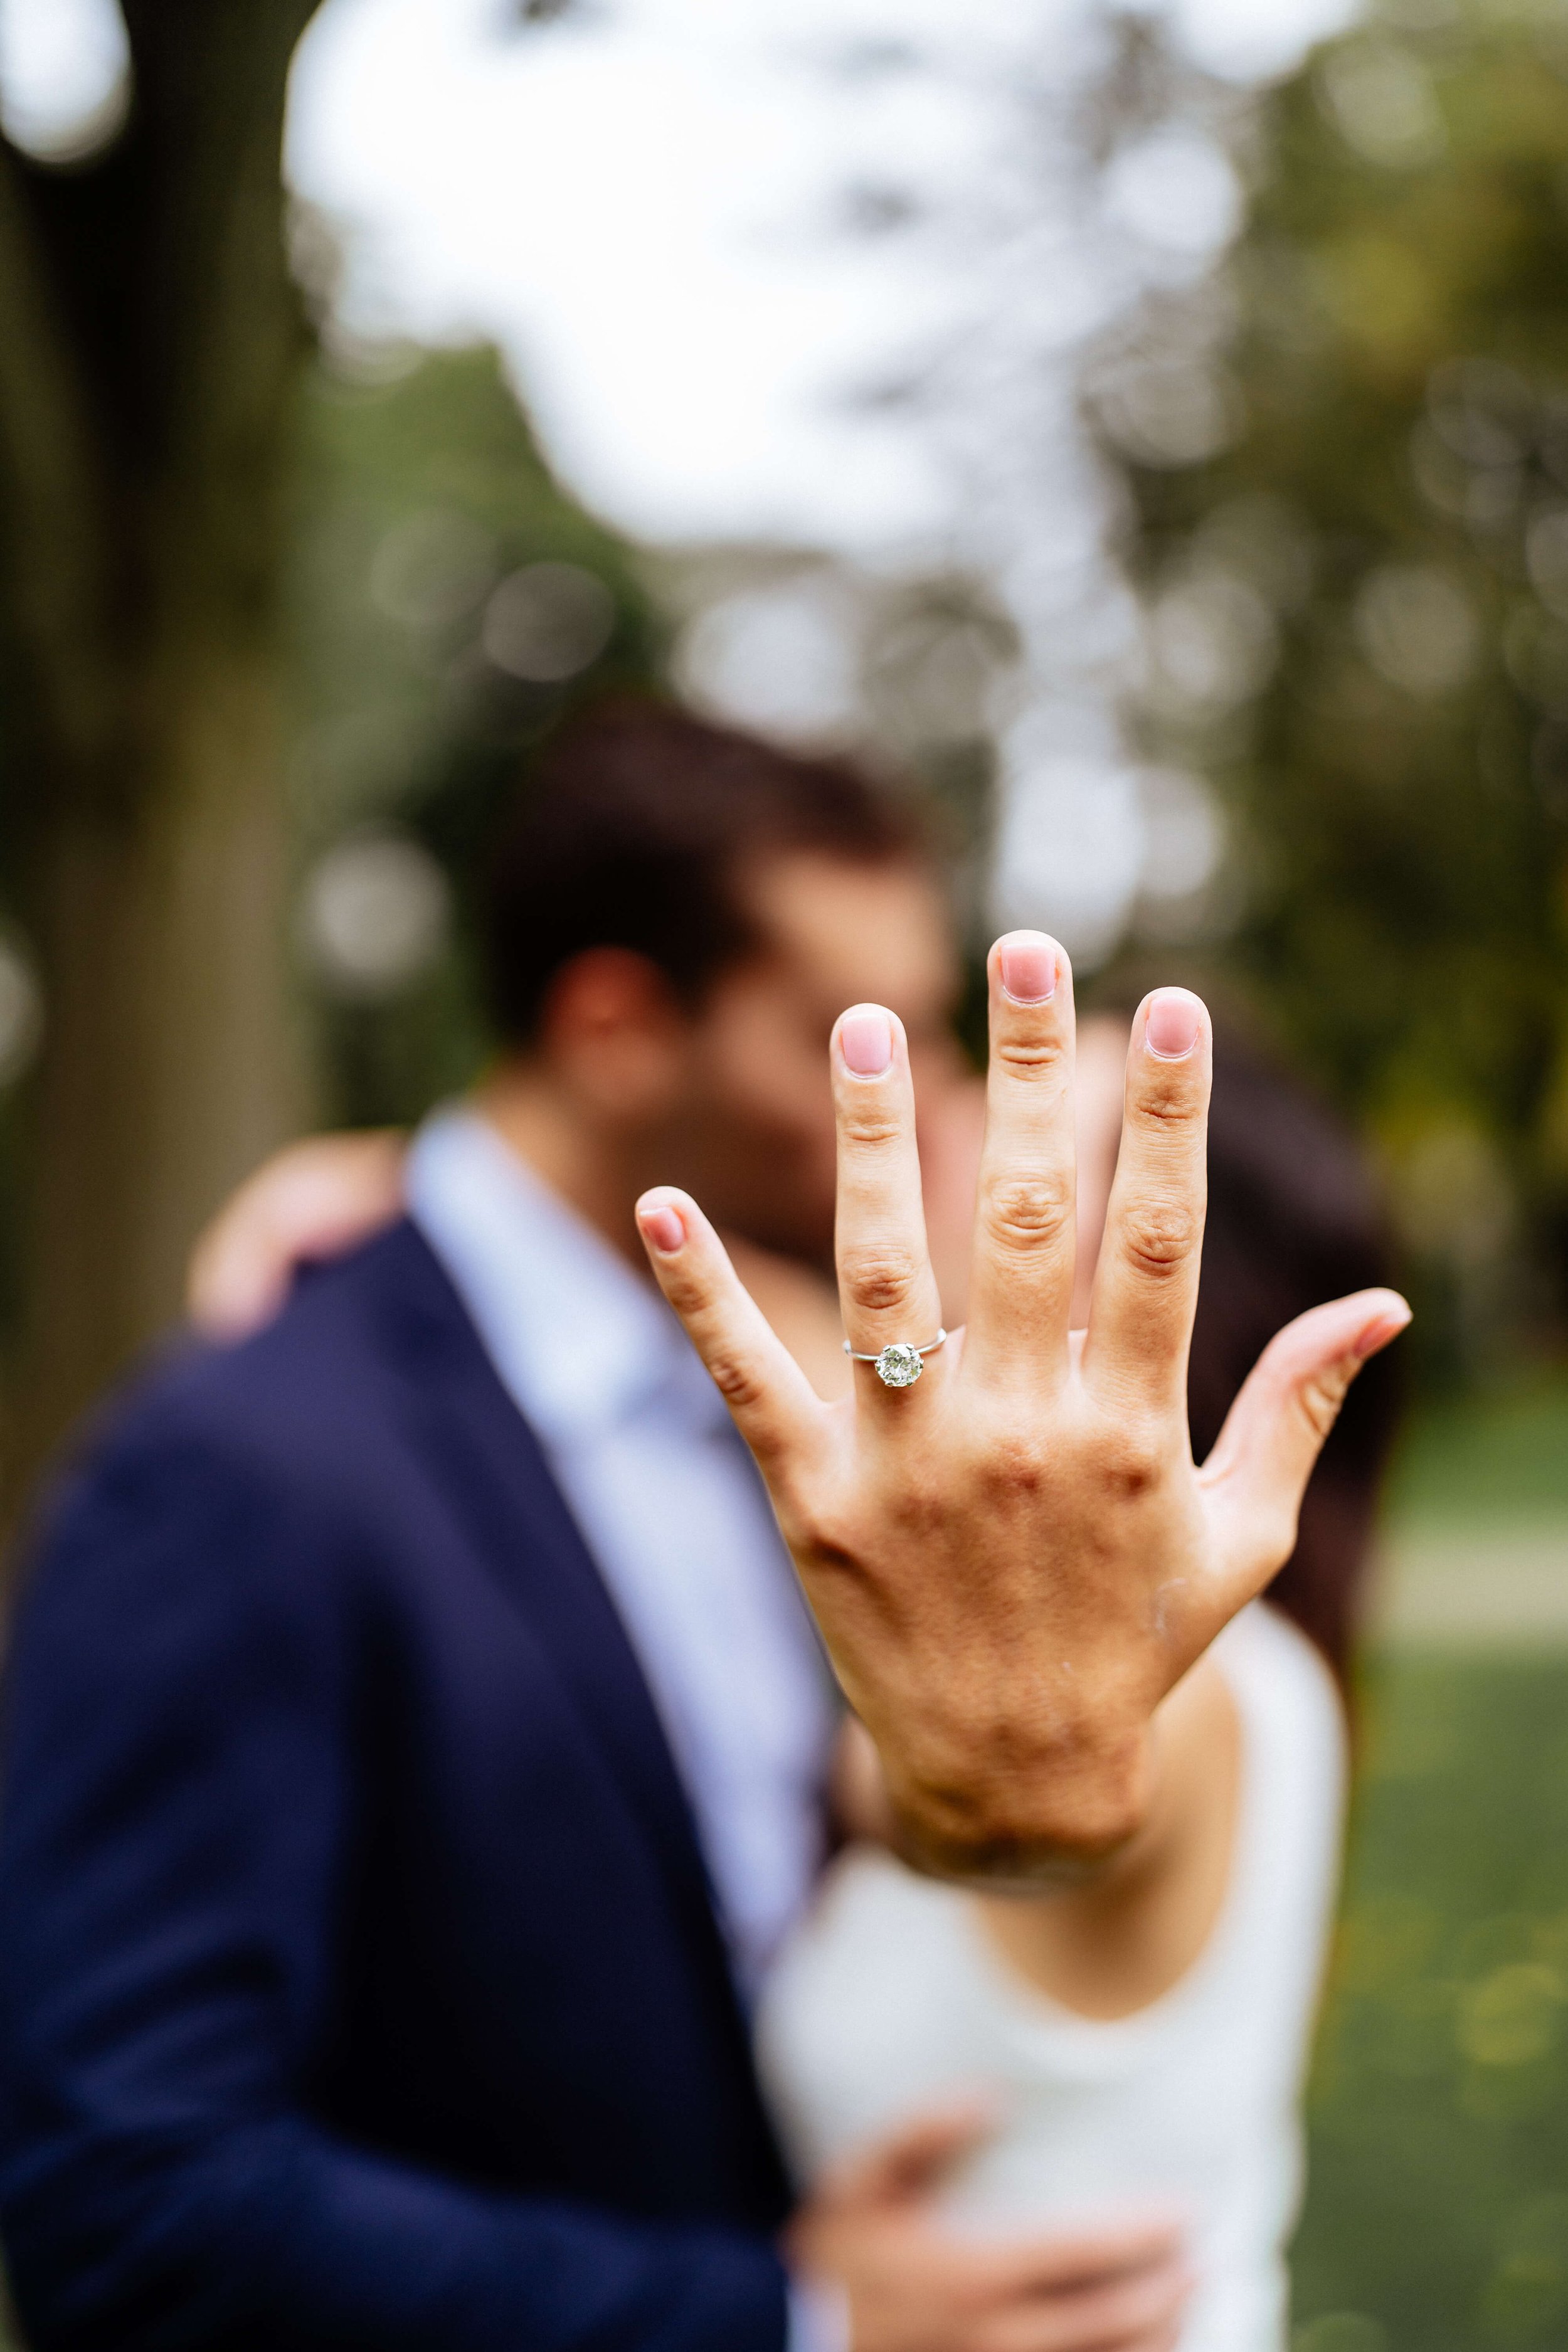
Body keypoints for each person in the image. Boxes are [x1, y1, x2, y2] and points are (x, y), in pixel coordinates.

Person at [0, 695, 1404, 2352]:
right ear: (616, 1031)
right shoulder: (259, 1459)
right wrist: (393, 1186)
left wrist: (1032, 1794)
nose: (941, 1112)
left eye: (982, 1098)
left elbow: (1040, 1785)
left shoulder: (1124, 1648)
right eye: (868, 1042)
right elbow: (129, 2189)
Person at [753, 1019, 1402, 2352]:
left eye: (1011, 1134)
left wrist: (998, 1793)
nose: (939, 1115)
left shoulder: (1181, 1685)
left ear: (1118, 1308)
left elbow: (1051, 1784)